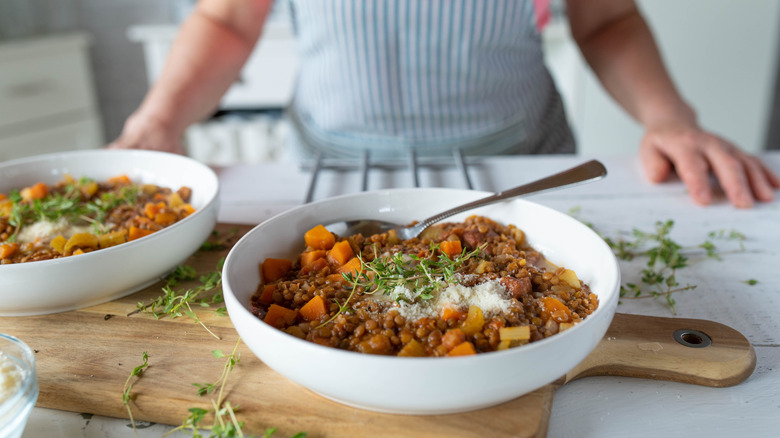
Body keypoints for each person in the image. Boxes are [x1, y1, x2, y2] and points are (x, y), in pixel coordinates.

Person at [109, 0, 780, 208]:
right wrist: (158, 120)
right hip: (328, 167)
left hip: (528, 167)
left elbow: (605, 19)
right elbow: (228, 20)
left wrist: (670, 119)